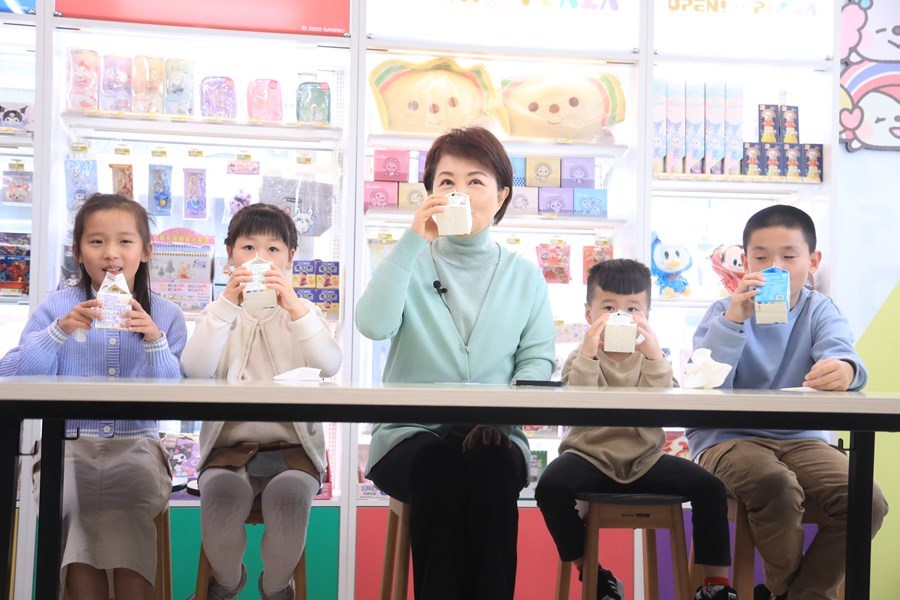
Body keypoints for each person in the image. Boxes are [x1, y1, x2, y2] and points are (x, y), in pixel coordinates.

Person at [356, 127, 556, 600]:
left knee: (491, 468)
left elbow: (536, 360)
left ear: (501, 196)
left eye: (475, 181)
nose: (459, 192)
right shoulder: (410, 261)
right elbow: (372, 325)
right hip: (407, 436)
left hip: (496, 434)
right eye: (446, 182)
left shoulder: (525, 276)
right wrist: (412, 241)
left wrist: (501, 421)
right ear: (430, 193)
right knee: (439, 468)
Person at [688, 205, 889, 600]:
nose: (775, 268)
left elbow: (844, 355)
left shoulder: (820, 309)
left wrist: (844, 370)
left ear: (812, 262)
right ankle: (787, 592)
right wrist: (733, 320)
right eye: (761, 257)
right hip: (726, 438)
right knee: (775, 485)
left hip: (802, 438)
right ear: (745, 262)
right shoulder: (722, 311)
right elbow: (705, 382)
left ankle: (796, 595)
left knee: (866, 500)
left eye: (789, 256)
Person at [0, 193, 186, 600]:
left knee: (129, 513)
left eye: (125, 241)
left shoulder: (167, 314)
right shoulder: (56, 306)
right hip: (66, 446)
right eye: (96, 241)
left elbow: (173, 396)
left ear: (145, 251)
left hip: (136, 446)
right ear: (78, 252)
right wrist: (59, 330)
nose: (111, 253)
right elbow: (14, 374)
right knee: (75, 511)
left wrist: (153, 339)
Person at [536, 259, 737, 600]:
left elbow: (666, 404)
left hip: (645, 459)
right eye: (608, 308)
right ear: (589, 314)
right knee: (550, 486)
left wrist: (655, 357)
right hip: (589, 457)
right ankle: (591, 571)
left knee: (710, 488)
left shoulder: (652, 357)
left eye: (632, 308)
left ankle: (715, 584)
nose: (620, 315)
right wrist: (588, 354)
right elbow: (577, 405)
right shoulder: (579, 357)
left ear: (646, 315)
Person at [181, 203, 341, 600]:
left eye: (272, 250)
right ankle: (227, 582)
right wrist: (226, 305)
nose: (259, 259)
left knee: (288, 500)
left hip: (293, 450)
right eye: (248, 248)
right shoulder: (217, 313)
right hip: (227, 449)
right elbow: (194, 369)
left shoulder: (304, 313)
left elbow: (330, 365)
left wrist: (296, 308)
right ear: (230, 255)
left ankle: (275, 588)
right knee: (220, 500)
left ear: (290, 258)